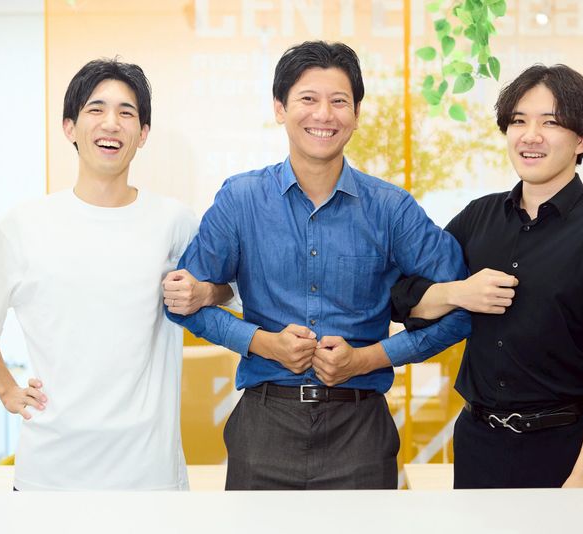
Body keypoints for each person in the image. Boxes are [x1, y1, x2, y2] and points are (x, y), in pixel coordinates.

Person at [163, 41, 471, 490]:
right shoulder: (240, 200)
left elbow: (463, 309)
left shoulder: (391, 209)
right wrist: (263, 344)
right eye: (308, 98)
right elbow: (181, 304)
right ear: (280, 108)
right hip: (264, 427)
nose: (324, 114)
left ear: (357, 114)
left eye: (339, 101)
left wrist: (367, 358)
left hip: (360, 431)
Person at [0, 58, 231, 491]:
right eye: (96, 109)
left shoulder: (173, 222)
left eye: (126, 112)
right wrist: (7, 390)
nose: (111, 123)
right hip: (50, 475)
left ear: (143, 134)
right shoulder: (25, 224)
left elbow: (231, 290)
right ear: (69, 127)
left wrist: (205, 293)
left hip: (149, 476)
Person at [391, 64, 583, 489]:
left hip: (564, 450)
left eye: (550, 123)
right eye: (519, 121)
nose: (530, 136)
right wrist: (459, 292)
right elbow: (402, 297)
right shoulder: (478, 218)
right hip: (478, 443)